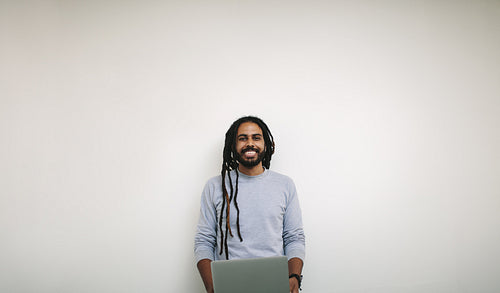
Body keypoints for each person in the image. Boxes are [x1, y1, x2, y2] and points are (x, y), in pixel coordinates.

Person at [194, 116, 305, 293]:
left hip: (275, 285)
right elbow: (204, 241)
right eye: (242, 138)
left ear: (266, 144)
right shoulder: (215, 186)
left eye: (256, 137)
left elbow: (294, 237)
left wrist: (294, 277)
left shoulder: (285, 185)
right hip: (229, 285)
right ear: (232, 145)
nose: (250, 143)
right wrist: (211, 287)